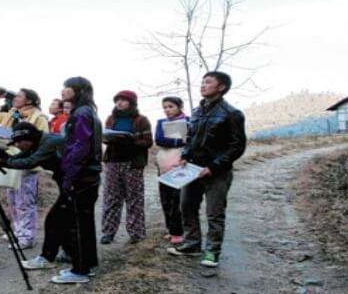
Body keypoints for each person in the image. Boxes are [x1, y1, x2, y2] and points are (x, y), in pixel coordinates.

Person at [166, 71, 247, 268]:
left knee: (214, 213)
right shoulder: (197, 111)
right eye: (202, 82)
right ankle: (192, 244)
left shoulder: (232, 114)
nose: (203, 85)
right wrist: (185, 156)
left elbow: (237, 146)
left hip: (216, 172)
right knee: (187, 206)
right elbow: (190, 139)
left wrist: (214, 167)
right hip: (192, 169)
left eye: (208, 82)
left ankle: (212, 252)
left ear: (221, 87)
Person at [0, 122, 68, 271]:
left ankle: (47, 259)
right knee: (67, 221)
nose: (18, 145)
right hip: (68, 182)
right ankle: (70, 254)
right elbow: (17, 159)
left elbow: (29, 163)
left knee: (54, 220)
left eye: (20, 141)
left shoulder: (50, 141)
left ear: (29, 137)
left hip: (78, 182)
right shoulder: (37, 143)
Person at [0, 88, 50, 249]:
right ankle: (18, 232)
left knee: (25, 201)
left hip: (26, 161)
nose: (14, 98)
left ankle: (27, 237)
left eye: (19, 96)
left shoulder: (39, 117)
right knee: (12, 200)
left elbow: (43, 140)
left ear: (30, 100)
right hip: (8, 158)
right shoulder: (12, 113)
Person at [52, 76, 103, 284]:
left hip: (81, 175)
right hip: (89, 174)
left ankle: (80, 270)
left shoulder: (81, 113)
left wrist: (69, 174)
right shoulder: (90, 111)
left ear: (79, 90)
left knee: (78, 225)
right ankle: (88, 264)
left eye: (68, 87)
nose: (63, 91)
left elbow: (79, 146)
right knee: (85, 221)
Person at [100, 90, 153, 245]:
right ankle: (108, 232)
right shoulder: (111, 119)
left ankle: (136, 233)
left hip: (133, 164)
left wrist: (131, 141)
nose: (119, 103)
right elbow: (105, 138)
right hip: (113, 162)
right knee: (111, 198)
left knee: (134, 199)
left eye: (123, 100)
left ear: (131, 103)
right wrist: (109, 139)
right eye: (117, 100)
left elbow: (148, 141)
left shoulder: (141, 120)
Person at [154, 96, 189, 244]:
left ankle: (179, 231)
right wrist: (178, 139)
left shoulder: (189, 121)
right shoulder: (161, 122)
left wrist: (175, 140)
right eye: (165, 107)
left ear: (179, 107)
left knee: (178, 200)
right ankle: (171, 229)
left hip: (181, 163)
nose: (167, 110)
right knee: (165, 198)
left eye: (171, 106)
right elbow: (159, 140)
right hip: (163, 164)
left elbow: (190, 140)